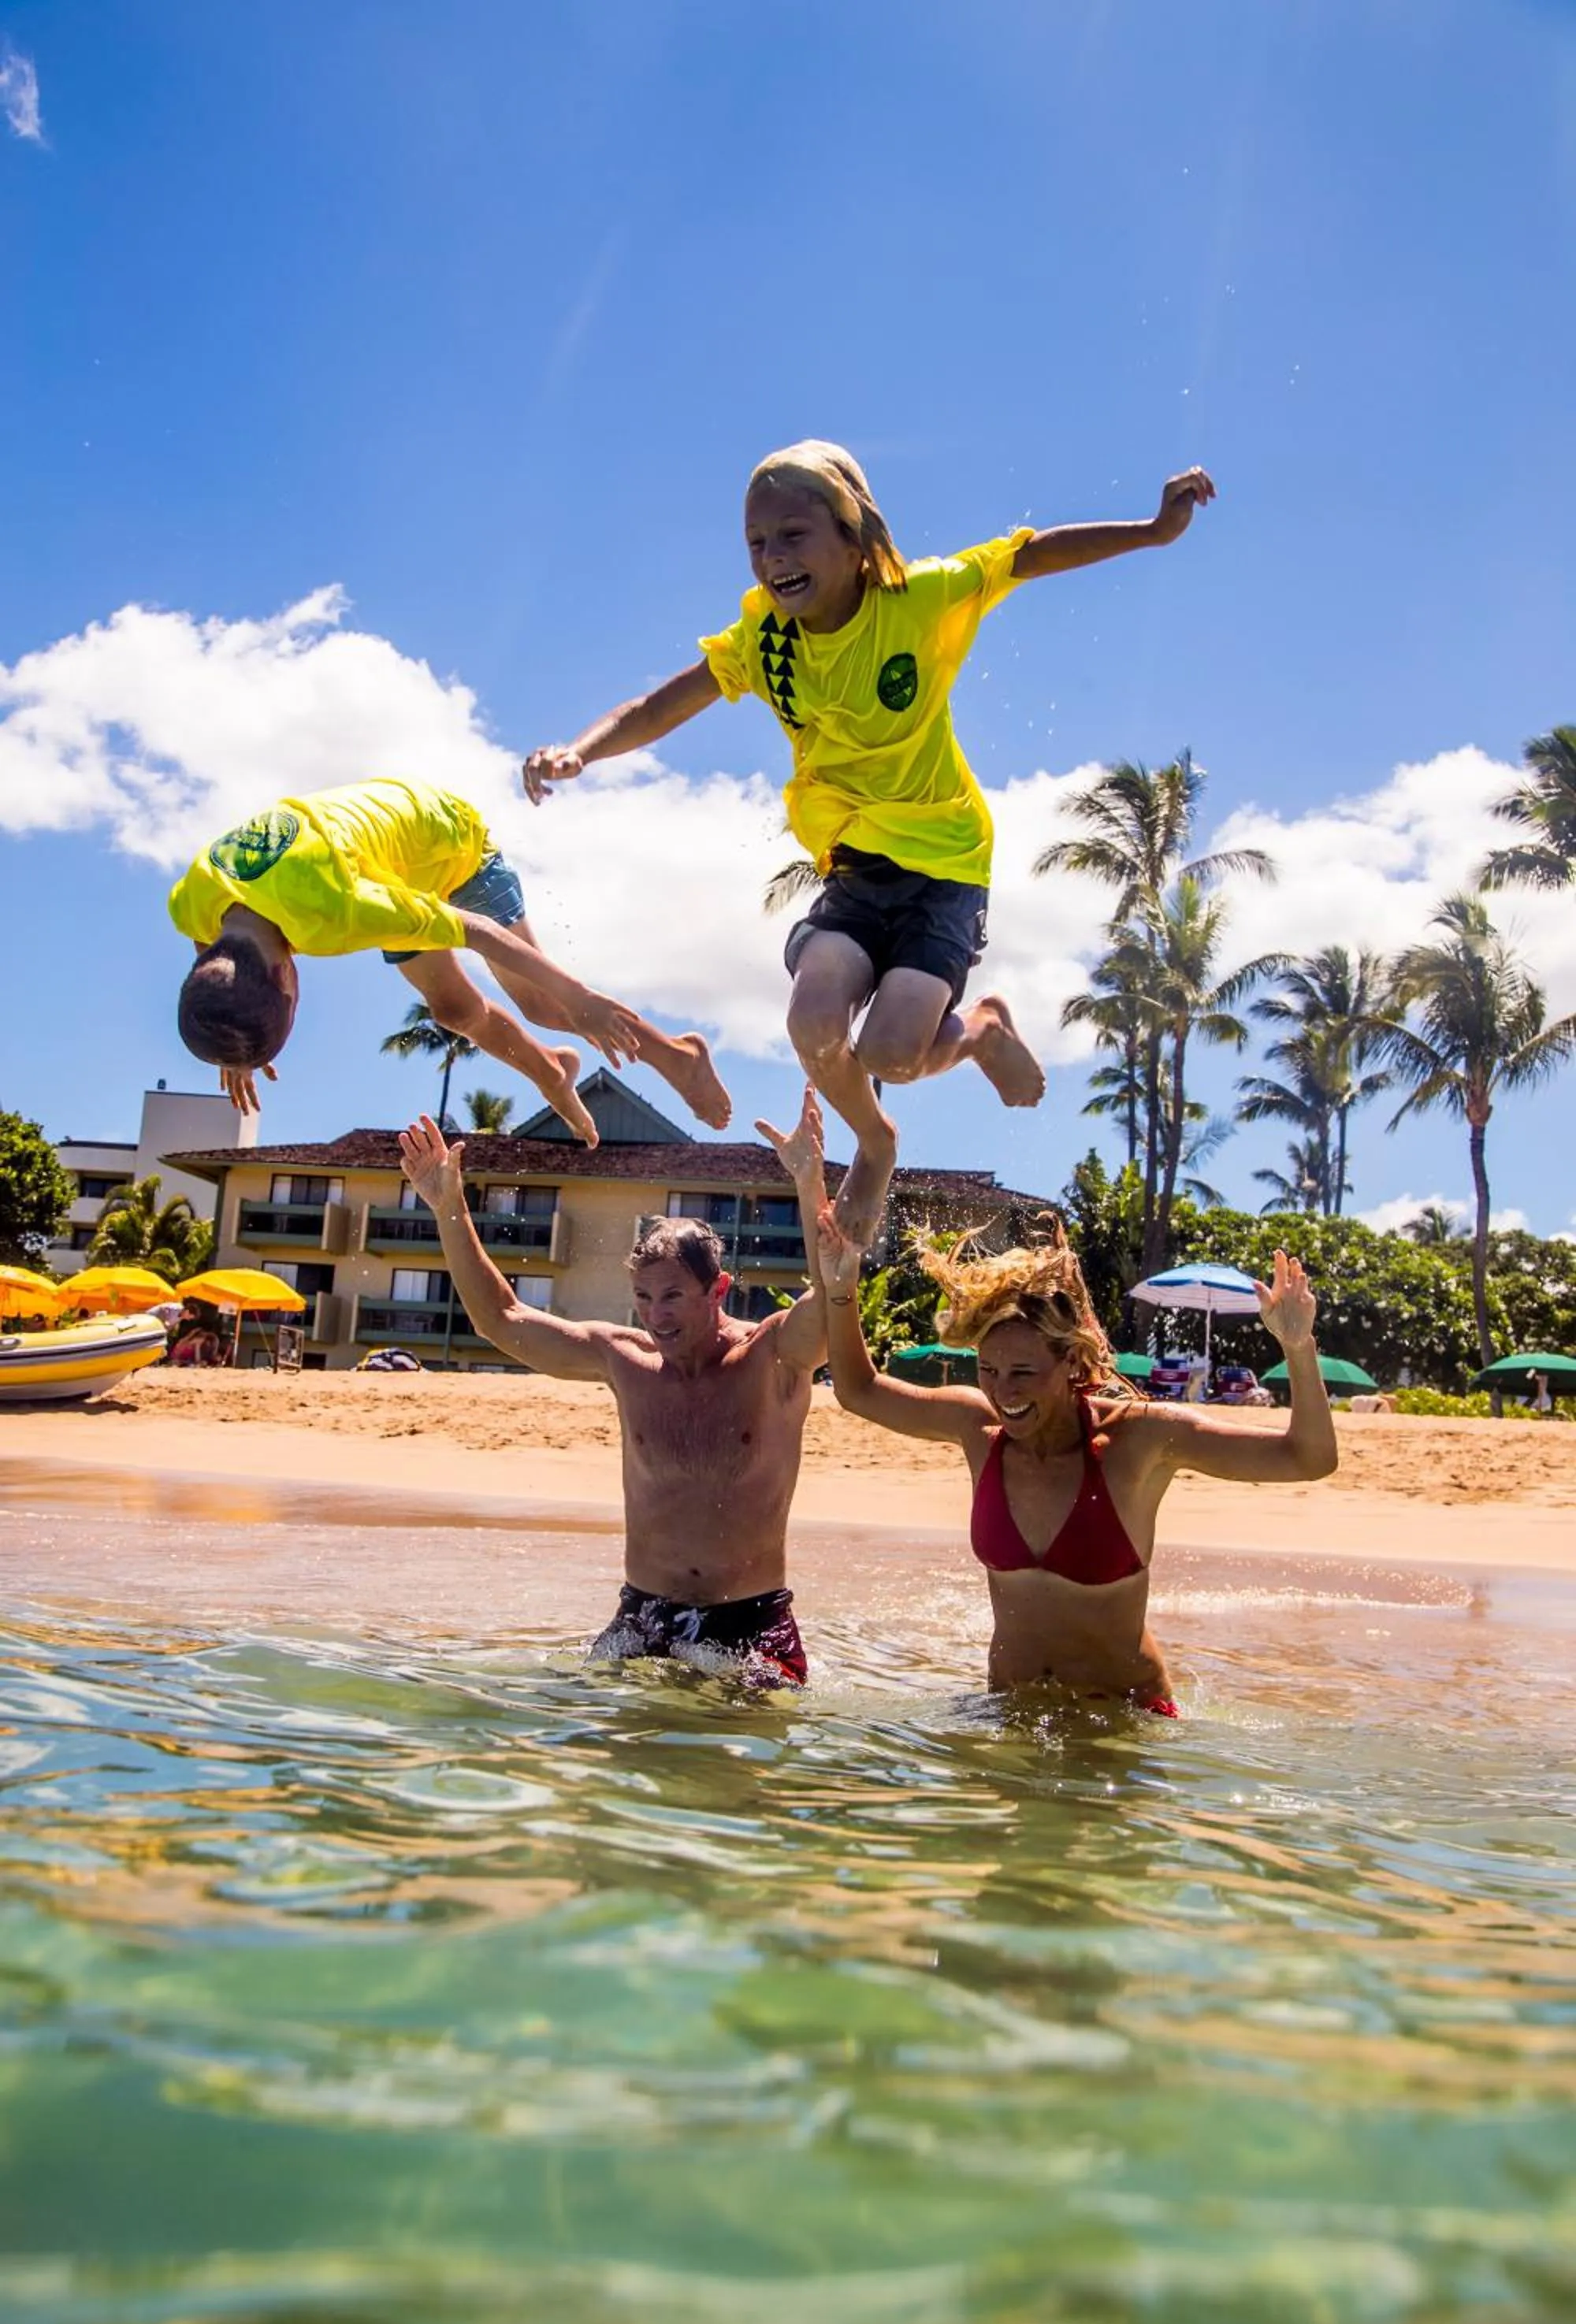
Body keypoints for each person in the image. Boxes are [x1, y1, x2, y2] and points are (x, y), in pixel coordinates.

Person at [523, 440, 1214, 1238]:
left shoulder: (918, 598)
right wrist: (582, 748)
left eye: (791, 535)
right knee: (811, 1022)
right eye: (755, 543)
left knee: (890, 1053)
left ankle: (981, 1029)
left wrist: (1151, 531)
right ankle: (874, 1142)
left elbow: (1027, 556)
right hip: (855, 867)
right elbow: (657, 705)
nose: (771, 558)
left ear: (853, 539)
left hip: (945, 867)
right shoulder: (765, 644)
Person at [814, 1200, 1336, 1711]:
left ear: (1069, 1362)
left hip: (1122, 1722)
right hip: (1012, 1715)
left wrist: (1298, 1347)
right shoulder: (978, 1429)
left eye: (1023, 1373)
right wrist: (839, 1292)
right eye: (989, 1371)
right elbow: (859, 1391)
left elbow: (1307, 1458)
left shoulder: (1140, 1440)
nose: (1004, 1393)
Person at [396, 1090, 832, 1685]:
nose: (657, 1316)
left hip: (749, 1625)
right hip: (642, 1620)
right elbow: (501, 1320)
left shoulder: (772, 1358)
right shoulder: (624, 1360)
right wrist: (449, 1205)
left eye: (674, 1296)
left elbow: (832, 1306)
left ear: (718, 1289)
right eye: (645, 1299)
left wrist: (810, 1185)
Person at [169, 778, 732, 1147]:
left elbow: (480, 935)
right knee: (455, 1011)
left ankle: (680, 1057)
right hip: (381, 865)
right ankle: (552, 1070)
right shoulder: (193, 899)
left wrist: (581, 1000)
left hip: (451, 846)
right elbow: (206, 948)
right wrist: (234, 1047)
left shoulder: (340, 909)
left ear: (285, 976)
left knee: (543, 1002)